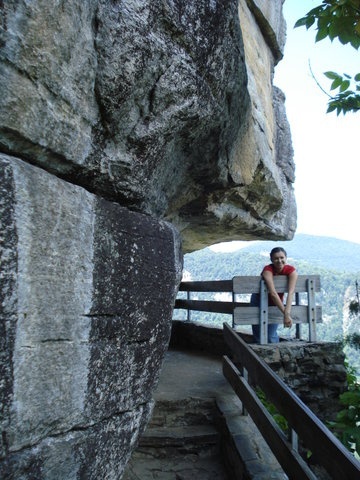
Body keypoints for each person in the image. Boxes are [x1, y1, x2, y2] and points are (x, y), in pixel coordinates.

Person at [252, 247, 298, 343]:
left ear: (286, 258)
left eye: (282, 257)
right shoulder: (268, 270)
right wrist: (285, 314)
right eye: (276, 258)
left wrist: (287, 314)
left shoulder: (291, 271)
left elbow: (291, 292)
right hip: (259, 300)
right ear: (271, 260)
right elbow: (273, 293)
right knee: (258, 332)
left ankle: (275, 354)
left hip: (276, 303)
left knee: (270, 334)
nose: (279, 261)